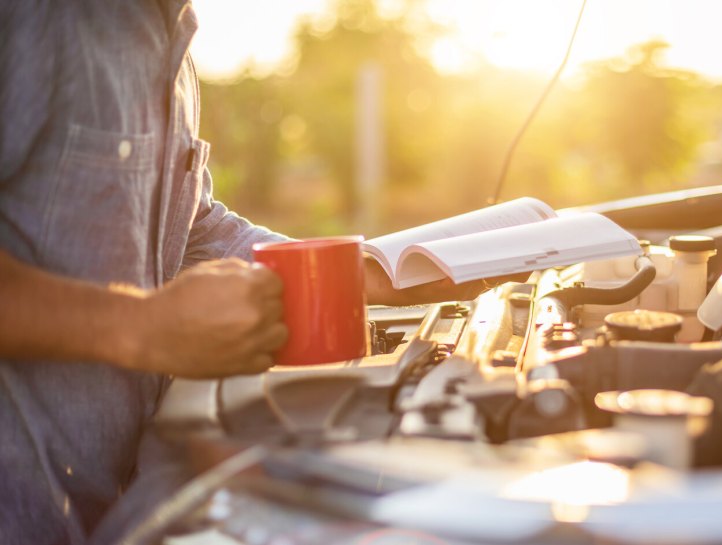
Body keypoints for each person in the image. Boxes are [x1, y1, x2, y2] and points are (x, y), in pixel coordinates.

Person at [0, 2, 494, 543]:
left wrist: (363, 274)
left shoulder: (173, 36)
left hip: (109, 509)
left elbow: (188, 226)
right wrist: (137, 327)